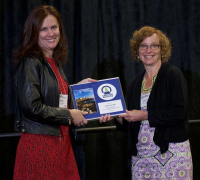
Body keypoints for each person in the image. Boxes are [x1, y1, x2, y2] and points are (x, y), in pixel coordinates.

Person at [13, 5, 96, 180]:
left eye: (53, 27)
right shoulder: (30, 62)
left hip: (61, 143)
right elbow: (32, 107)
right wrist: (69, 114)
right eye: (43, 29)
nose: (50, 33)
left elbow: (54, 99)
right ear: (34, 32)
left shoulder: (53, 63)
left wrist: (77, 90)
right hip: (40, 146)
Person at [100, 26, 193, 179]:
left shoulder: (173, 75)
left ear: (162, 49)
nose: (148, 50)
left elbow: (178, 112)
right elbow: (130, 122)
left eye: (154, 45)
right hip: (142, 158)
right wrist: (115, 116)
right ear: (137, 50)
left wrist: (143, 115)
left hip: (171, 154)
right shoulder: (135, 83)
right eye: (143, 45)